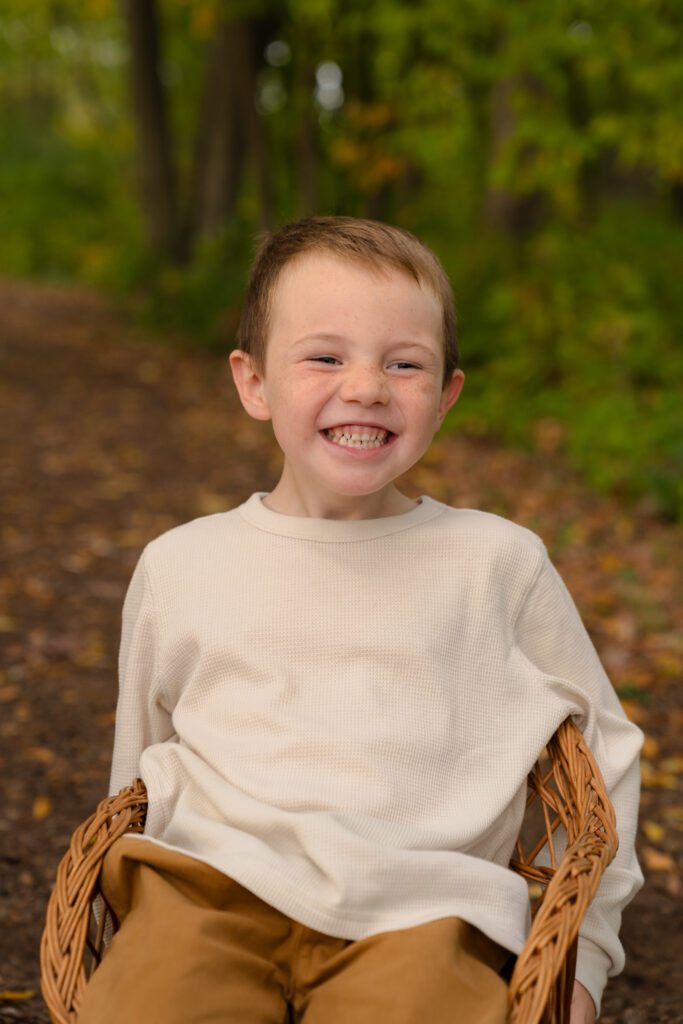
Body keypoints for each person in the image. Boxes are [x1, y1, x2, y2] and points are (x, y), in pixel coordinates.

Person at [78, 217, 643, 1024]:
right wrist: (115, 921)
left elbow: (604, 752)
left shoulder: (496, 563)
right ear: (253, 383)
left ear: (444, 394)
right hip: (202, 893)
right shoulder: (182, 565)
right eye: (323, 356)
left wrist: (581, 954)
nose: (366, 386)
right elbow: (134, 773)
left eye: (403, 363)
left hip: (423, 910)